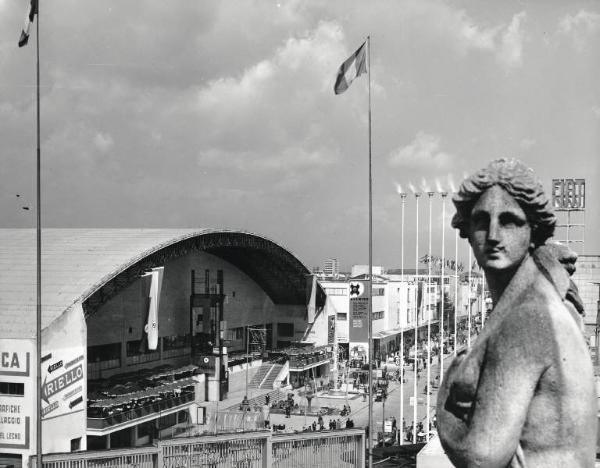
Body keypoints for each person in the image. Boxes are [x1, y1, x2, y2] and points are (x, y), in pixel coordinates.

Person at [436, 159, 596, 467]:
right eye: (482, 220)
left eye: (509, 221)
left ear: (533, 232)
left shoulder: (526, 319)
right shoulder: (542, 301)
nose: (493, 235)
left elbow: (480, 456)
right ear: (466, 230)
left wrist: (444, 399)